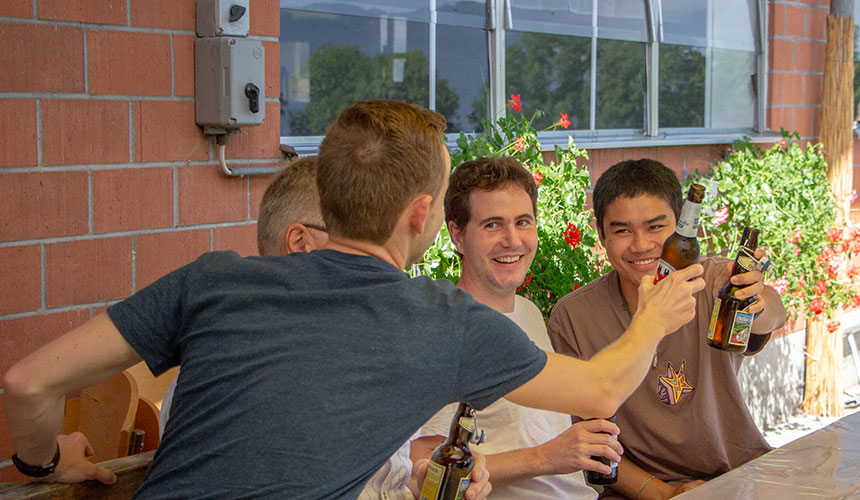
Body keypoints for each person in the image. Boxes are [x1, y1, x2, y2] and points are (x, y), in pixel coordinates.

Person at [3, 100, 703, 499]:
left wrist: (41, 465)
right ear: (424, 216)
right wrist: (654, 317)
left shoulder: (213, 279)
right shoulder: (443, 321)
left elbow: (28, 382)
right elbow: (602, 388)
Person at [547, 158, 787, 500]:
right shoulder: (574, 317)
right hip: (641, 492)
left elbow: (774, 312)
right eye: (622, 231)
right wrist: (664, 494)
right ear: (601, 235)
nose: (641, 245)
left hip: (737, 478)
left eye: (656, 227)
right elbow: (589, 442)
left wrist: (755, 299)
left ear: (680, 227)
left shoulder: (711, 281)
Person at [413, 156, 618, 499]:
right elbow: (424, 466)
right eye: (492, 225)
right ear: (457, 236)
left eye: (523, 222)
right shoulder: (445, 331)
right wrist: (547, 457)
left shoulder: (528, 312)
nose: (512, 240)